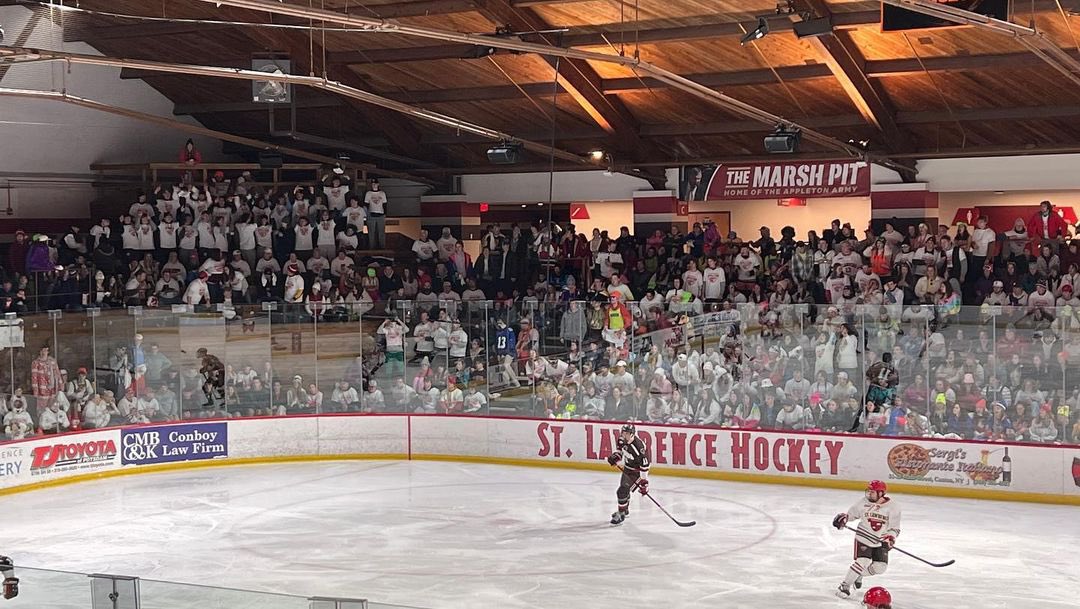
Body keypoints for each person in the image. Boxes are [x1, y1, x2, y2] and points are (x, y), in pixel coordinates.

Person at [832, 480, 901, 599]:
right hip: (863, 537)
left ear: (881, 493)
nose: (869, 494)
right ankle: (845, 586)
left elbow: (895, 528)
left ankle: (858, 575)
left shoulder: (893, 507)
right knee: (862, 561)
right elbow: (851, 515)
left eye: (872, 492)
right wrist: (844, 519)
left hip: (880, 541)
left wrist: (890, 538)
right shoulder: (863, 503)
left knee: (880, 568)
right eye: (868, 491)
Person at [605, 423, 651, 525]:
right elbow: (620, 451)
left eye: (627, 433)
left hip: (637, 471)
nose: (624, 435)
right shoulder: (622, 440)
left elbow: (645, 466)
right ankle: (624, 510)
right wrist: (615, 457)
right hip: (628, 467)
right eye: (623, 433)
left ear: (632, 434)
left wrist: (644, 483)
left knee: (622, 491)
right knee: (624, 489)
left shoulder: (638, 447)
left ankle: (621, 513)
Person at [853, 352, 899, 431]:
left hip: (883, 396)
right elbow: (868, 375)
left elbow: (895, 384)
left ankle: (881, 429)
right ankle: (860, 427)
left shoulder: (883, 367)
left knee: (883, 411)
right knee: (865, 409)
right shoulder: (882, 367)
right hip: (875, 393)